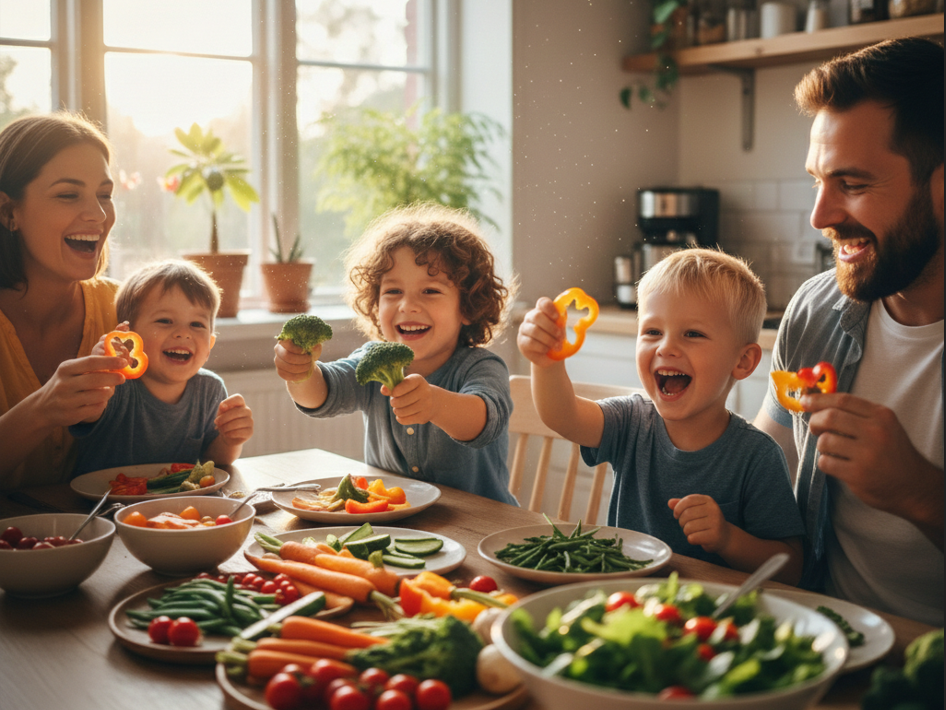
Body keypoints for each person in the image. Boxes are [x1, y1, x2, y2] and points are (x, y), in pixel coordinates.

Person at [754, 38, 943, 624]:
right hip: (821, 634)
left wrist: (919, 493)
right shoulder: (816, 309)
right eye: (818, 180)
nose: (821, 216)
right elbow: (767, 459)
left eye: (853, 185)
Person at [518, 248, 805, 583]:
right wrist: (546, 361)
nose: (665, 347)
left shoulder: (757, 456)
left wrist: (728, 539)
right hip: (628, 597)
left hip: (713, 615)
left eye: (693, 334)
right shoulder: (631, 420)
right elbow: (562, 416)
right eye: (652, 332)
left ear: (743, 361)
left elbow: (792, 567)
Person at [274, 204, 519, 504]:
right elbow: (322, 393)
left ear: (467, 306)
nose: (407, 306)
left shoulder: (481, 367)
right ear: (375, 306)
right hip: (396, 527)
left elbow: (484, 420)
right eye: (393, 292)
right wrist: (301, 372)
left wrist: (436, 405)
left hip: (481, 528)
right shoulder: (372, 359)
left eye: (429, 291)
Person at [0, 112, 129, 491]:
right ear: (9, 212)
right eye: (68, 195)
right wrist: (43, 410)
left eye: (104, 195)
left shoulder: (123, 309)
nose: (99, 214)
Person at [69, 259, 254, 475]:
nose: (184, 333)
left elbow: (212, 461)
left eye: (197, 324)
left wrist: (231, 440)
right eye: (165, 321)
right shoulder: (115, 383)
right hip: (103, 503)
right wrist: (96, 375)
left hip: (176, 505)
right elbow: (83, 414)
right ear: (130, 336)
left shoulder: (210, 389)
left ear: (209, 345)